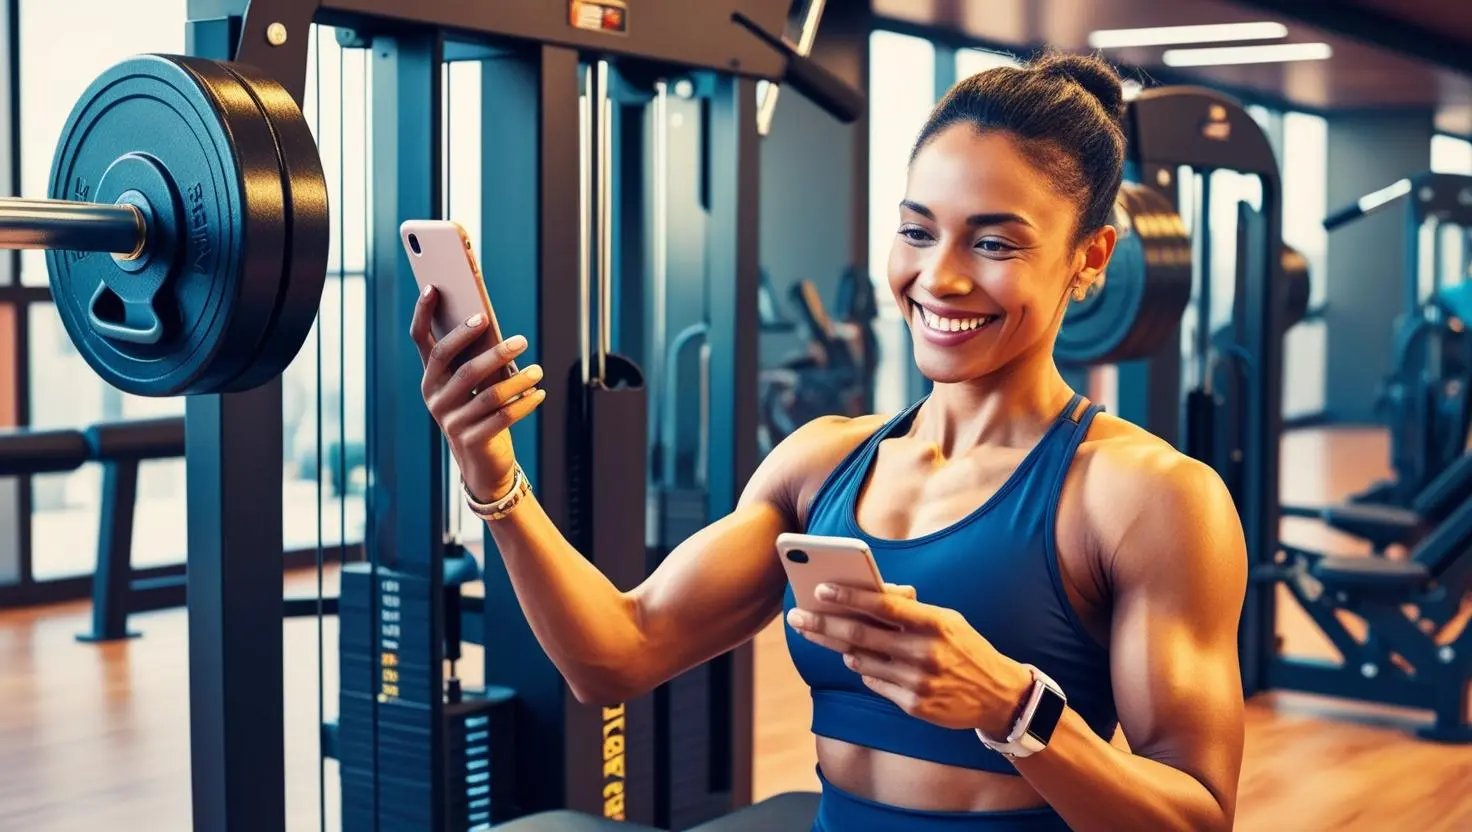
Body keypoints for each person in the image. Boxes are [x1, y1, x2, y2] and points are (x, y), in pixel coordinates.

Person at [411, 51, 1246, 832]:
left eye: (993, 243)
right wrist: (492, 472)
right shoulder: (824, 462)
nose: (940, 277)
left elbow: (1199, 815)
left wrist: (1011, 708)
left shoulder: (1147, 497)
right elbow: (618, 655)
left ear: (1089, 256)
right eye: (918, 231)